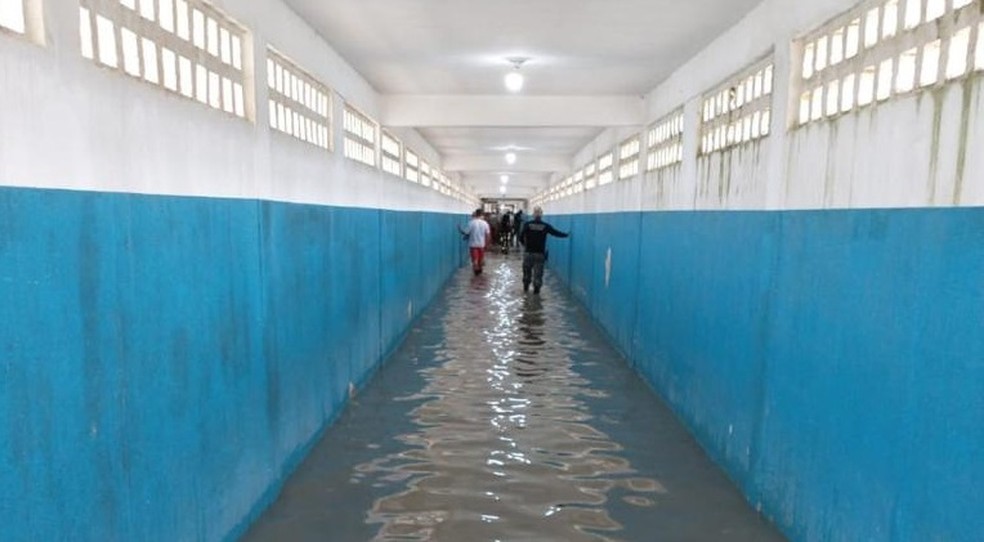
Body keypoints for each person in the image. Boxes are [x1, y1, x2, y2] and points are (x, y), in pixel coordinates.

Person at [518, 206, 569, 294]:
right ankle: (536, 297)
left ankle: (525, 293)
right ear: (541, 215)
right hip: (539, 254)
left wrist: (525, 246)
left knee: (526, 275)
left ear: (533, 215)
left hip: (528, 253)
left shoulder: (527, 225)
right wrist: (566, 235)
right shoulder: (545, 226)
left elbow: (520, 237)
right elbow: (556, 233)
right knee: (538, 276)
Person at [458, 209, 491, 276]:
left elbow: (466, 232)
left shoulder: (471, 223)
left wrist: (459, 229)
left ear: (476, 214)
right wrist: (487, 245)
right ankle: (480, 275)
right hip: (482, 245)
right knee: (480, 260)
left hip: (473, 245)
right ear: (482, 215)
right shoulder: (485, 223)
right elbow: (488, 235)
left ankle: (475, 276)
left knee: (475, 261)